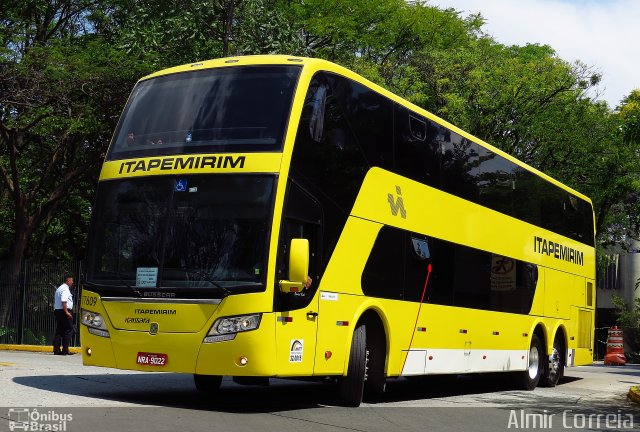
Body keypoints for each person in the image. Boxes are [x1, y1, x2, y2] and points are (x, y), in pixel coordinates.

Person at [53, 276, 75, 355]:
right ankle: (65, 350)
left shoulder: (59, 288)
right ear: (68, 280)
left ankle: (56, 349)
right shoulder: (65, 289)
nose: (72, 282)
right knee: (69, 330)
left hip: (58, 311)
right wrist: (66, 312)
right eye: (71, 281)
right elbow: (64, 300)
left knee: (59, 330)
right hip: (64, 311)